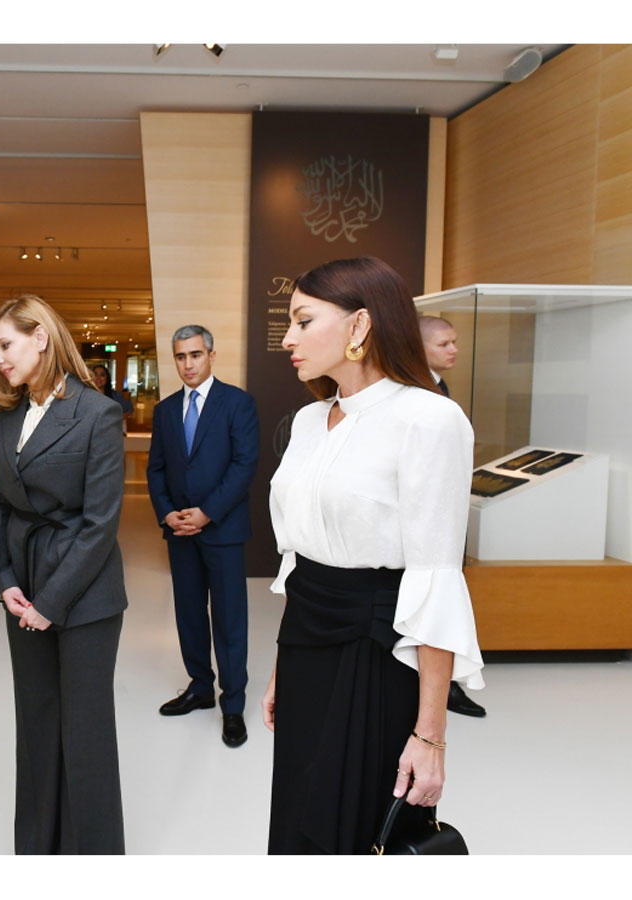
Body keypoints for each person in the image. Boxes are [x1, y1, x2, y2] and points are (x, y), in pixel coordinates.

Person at [264, 256, 484, 854]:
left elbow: (435, 577)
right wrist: (285, 666)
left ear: (360, 326)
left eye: (304, 321)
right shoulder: (310, 420)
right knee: (298, 813)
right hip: (306, 644)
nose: (288, 338)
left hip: (376, 652)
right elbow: (300, 559)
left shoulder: (429, 420)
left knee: (356, 826)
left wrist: (431, 736)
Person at [0, 293, 128, 854]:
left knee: (85, 731)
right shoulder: (9, 414)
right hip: (24, 587)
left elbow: (99, 525)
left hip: (85, 594)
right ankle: (38, 849)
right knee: (37, 723)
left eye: (5, 345)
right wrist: (5, 581)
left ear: (40, 336)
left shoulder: (98, 412)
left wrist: (51, 601)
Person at [147, 325, 259, 748]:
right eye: (180, 357)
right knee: (189, 613)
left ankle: (233, 705)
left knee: (229, 618)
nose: (188, 364)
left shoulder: (238, 403)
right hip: (179, 532)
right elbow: (156, 469)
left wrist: (207, 512)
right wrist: (167, 513)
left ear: (211, 355)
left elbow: (244, 467)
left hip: (223, 531)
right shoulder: (165, 410)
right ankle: (199, 687)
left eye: (195, 354)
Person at [420, 314, 488, 719]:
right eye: (444, 343)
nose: (454, 350)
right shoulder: (419, 389)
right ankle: (439, 688)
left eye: (455, 342)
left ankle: (447, 686)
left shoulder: (439, 386)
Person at [91, 363, 133, 433]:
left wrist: (116, 419)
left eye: (102, 375)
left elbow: (129, 408)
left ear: (107, 378)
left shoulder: (114, 395)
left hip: (109, 434)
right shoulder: (86, 395)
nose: (98, 378)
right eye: (95, 374)